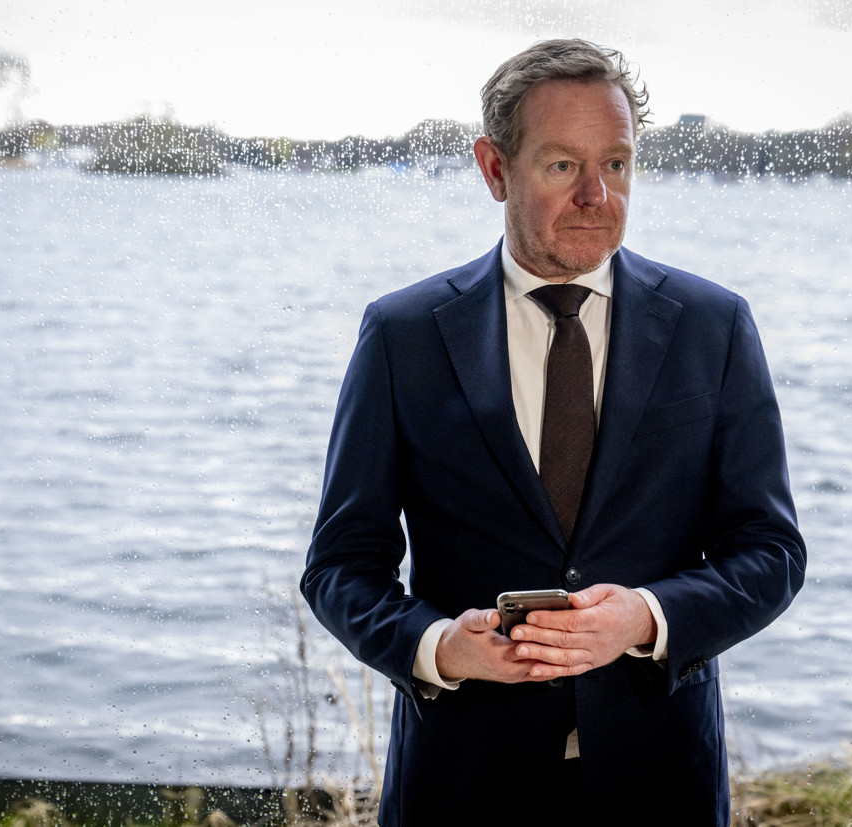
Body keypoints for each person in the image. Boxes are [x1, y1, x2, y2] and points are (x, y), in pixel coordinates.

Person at [301, 38, 805, 825]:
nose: (597, 195)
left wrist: (647, 616)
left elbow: (772, 553)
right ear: (494, 169)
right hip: (461, 783)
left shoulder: (716, 326)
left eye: (617, 163)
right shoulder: (403, 336)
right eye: (563, 165)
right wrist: (438, 646)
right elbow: (340, 566)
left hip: (660, 780)